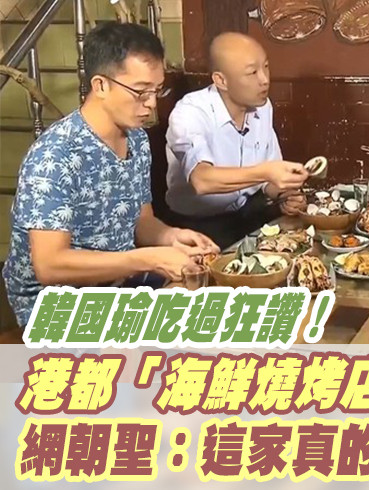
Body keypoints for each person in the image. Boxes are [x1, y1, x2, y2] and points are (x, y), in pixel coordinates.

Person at [2, 22, 219, 328]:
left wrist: (171, 237)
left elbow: (141, 222)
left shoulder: (137, 139)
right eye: (141, 92)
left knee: (212, 301)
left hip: (118, 283)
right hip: (55, 306)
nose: (151, 104)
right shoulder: (55, 155)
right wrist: (148, 259)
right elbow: (50, 266)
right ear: (101, 85)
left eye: (157, 90)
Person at [165, 32, 309, 249]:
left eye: (266, 67)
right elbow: (202, 180)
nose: (264, 79)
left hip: (249, 214)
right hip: (197, 227)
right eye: (252, 72)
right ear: (221, 80)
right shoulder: (190, 113)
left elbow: (268, 182)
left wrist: (285, 194)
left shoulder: (263, 107)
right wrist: (267, 172)